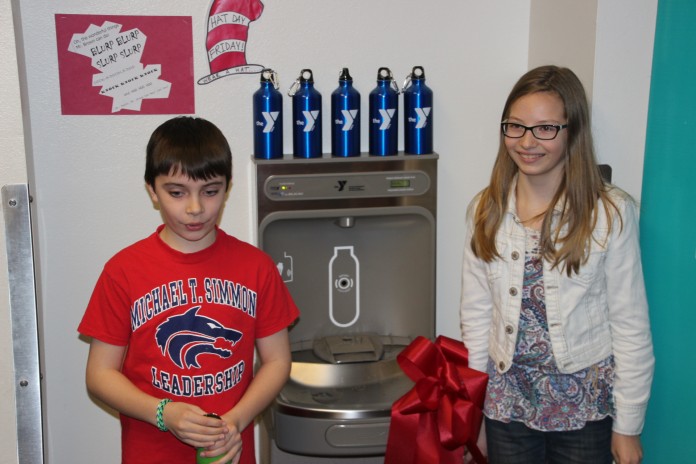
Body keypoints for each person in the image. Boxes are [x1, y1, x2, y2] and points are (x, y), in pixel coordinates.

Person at [459, 66, 654, 464]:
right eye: (515, 126)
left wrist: (628, 426)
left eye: (545, 128)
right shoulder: (487, 211)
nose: (527, 142)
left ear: (573, 132)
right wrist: (472, 412)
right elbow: (476, 320)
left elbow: (630, 324)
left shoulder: (609, 213)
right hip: (507, 406)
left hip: (584, 409)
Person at [78, 116, 299, 464]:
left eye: (210, 192)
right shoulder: (123, 271)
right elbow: (100, 375)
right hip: (150, 453)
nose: (195, 209)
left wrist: (237, 420)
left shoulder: (257, 267)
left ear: (227, 188)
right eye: (177, 193)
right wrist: (164, 413)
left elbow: (277, 360)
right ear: (152, 190)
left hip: (228, 451)